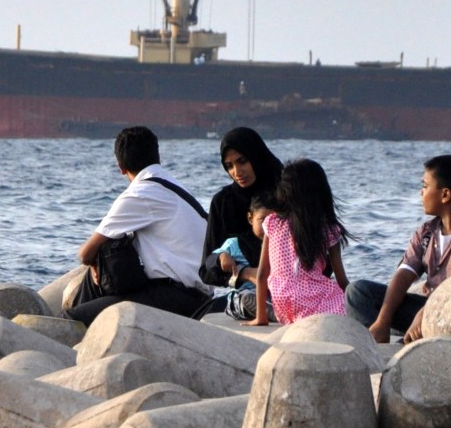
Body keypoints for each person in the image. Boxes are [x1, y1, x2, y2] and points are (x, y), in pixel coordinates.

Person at [66, 126, 211, 326]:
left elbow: (85, 254)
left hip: (177, 297)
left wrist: (93, 263)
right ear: (157, 157)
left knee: (73, 319)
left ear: (121, 166)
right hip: (198, 294)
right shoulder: (173, 187)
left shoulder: (140, 193)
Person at [346, 154, 451, 343]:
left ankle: (409, 343)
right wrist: (382, 321)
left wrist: (423, 316)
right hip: (426, 307)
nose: (421, 193)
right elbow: (404, 274)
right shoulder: (426, 232)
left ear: (445, 195)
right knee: (358, 292)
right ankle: (375, 342)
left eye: (425, 186)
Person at [251, 158, 351, 326]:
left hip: (282, 302)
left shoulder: (272, 222)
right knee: (352, 307)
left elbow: (262, 273)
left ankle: (266, 312)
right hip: (313, 300)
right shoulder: (327, 228)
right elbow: (342, 281)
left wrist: (260, 318)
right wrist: (356, 299)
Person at [197, 127, 284, 319]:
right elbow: (206, 270)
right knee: (201, 316)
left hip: (292, 287)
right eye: (229, 166)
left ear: (256, 156)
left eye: (242, 161)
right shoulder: (222, 202)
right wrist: (245, 273)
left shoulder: (286, 192)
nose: (237, 172)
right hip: (246, 292)